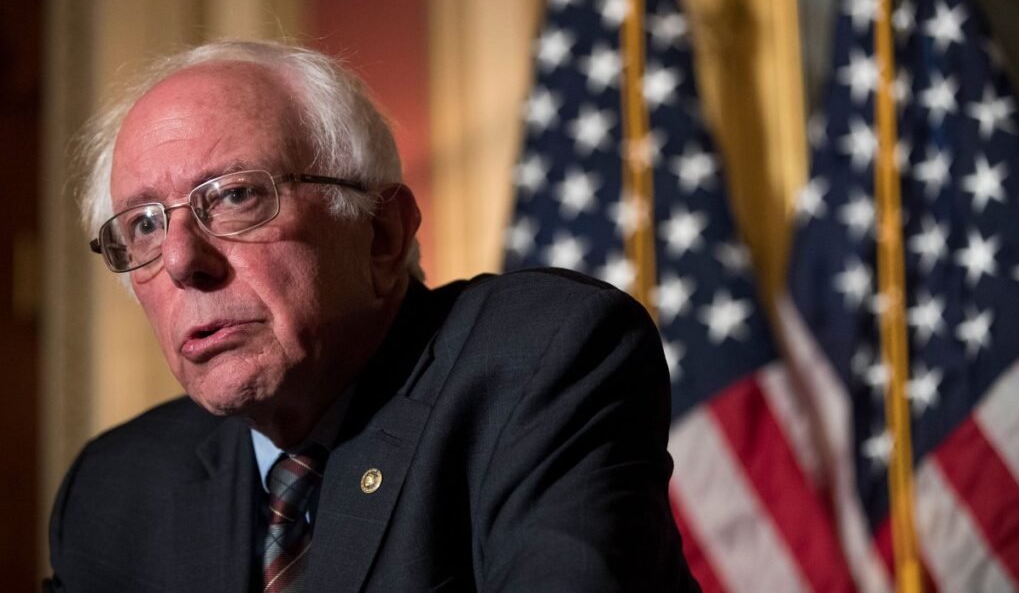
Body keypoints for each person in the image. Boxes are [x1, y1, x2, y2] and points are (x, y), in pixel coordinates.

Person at [46, 40, 699, 592]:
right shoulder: (115, 489)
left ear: (382, 233)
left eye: (238, 195)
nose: (184, 260)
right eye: (143, 226)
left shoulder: (539, 361)